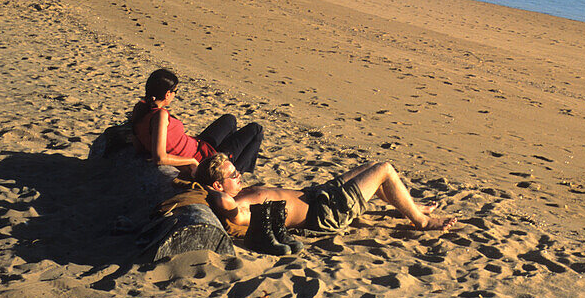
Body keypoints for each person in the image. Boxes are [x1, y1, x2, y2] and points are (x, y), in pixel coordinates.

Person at [196, 152, 456, 236]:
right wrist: (213, 193)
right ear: (218, 187)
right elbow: (231, 212)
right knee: (384, 170)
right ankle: (421, 221)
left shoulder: (244, 192)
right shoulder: (240, 207)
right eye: (232, 176)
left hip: (319, 195)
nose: (239, 175)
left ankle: (411, 205)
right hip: (326, 213)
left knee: (370, 168)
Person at [130, 68, 263, 177]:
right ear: (167, 94)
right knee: (256, 130)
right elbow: (159, 158)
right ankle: (233, 173)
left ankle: (229, 163)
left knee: (230, 120)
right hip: (204, 159)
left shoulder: (141, 108)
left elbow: (139, 146)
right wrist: (191, 161)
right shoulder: (160, 115)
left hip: (199, 144)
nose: (175, 95)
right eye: (175, 92)